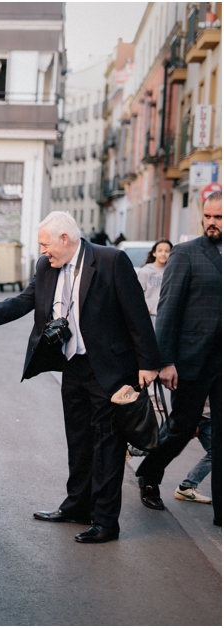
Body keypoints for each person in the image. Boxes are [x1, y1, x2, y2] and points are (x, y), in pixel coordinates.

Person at [0, 211, 159, 543]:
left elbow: (137, 314)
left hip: (110, 369)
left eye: (46, 244)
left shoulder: (111, 261)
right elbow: (25, 301)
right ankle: (77, 506)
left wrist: (148, 364)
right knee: (78, 441)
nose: (43, 252)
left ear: (65, 239)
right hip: (72, 365)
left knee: (107, 445)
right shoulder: (46, 267)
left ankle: (106, 522)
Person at [134, 191, 221, 526]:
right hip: (191, 360)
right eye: (209, 216)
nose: (212, 223)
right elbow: (168, 311)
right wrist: (165, 360)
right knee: (182, 426)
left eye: (219, 217)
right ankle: (150, 473)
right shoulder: (186, 254)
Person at [136, 239, 173, 324]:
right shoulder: (145, 271)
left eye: (167, 251)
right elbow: (137, 293)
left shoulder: (172, 272)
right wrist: (142, 308)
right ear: (154, 253)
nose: (163, 254)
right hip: (149, 315)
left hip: (166, 316)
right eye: (160, 251)